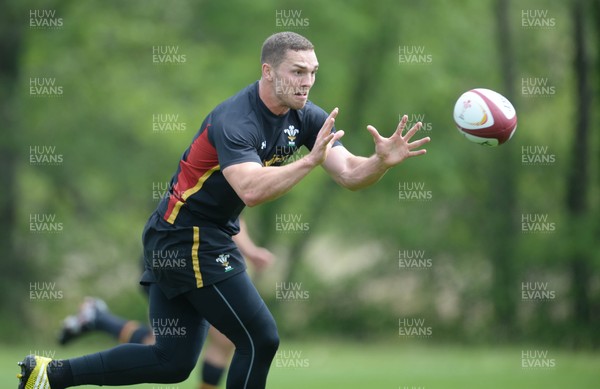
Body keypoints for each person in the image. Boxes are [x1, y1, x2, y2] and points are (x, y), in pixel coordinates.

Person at [17, 31, 430, 389]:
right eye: (297, 72)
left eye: (313, 72)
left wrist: (380, 162)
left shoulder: (304, 118)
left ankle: (50, 375)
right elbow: (249, 190)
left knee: (172, 362)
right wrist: (308, 161)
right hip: (187, 237)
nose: (308, 82)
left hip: (189, 236)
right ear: (268, 71)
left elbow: (349, 174)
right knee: (260, 338)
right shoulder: (237, 119)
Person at [57, 218, 273, 389]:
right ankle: (94, 324)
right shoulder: (219, 167)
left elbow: (233, 217)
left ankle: (96, 319)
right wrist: (251, 252)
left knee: (201, 347)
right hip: (176, 257)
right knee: (170, 352)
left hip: (187, 256)